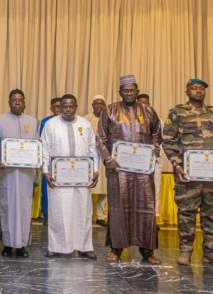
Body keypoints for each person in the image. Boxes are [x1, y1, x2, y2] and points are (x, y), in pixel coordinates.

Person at [162, 79, 213, 267]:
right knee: (186, 212)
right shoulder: (177, 113)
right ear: (187, 91)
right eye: (194, 88)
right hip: (187, 175)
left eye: (201, 88)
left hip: (212, 177)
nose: (198, 91)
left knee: (211, 214)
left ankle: (210, 253)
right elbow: (168, 141)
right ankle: (185, 251)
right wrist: (177, 165)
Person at [96, 75, 162, 264]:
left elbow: (156, 134)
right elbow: (100, 138)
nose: (129, 93)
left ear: (137, 90)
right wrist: (108, 159)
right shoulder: (110, 111)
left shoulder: (149, 111)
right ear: (120, 92)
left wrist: (155, 146)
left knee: (146, 208)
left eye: (132, 90)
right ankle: (116, 249)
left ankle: (147, 251)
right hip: (119, 171)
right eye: (126, 91)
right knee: (118, 209)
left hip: (142, 172)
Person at [41, 94, 99, 260]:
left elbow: (92, 148)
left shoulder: (85, 124)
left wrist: (95, 170)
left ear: (76, 106)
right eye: (64, 106)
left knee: (83, 210)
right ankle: (56, 246)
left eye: (71, 106)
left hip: (82, 176)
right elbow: (44, 148)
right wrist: (46, 170)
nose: (67, 110)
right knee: (59, 211)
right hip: (58, 176)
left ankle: (84, 247)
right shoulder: (51, 125)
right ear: (60, 107)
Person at [0, 89, 39, 258]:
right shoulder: (0, 119)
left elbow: (37, 145)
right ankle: (7, 244)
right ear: (9, 102)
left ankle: (21, 245)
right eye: (14, 99)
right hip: (7, 172)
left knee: (24, 207)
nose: (17, 102)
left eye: (20, 99)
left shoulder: (33, 121)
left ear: (24, 102)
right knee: (7, 206)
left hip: (26, 174)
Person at [38, 97, 63, 222]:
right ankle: (47, 215)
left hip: (64, 163)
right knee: (46, 189)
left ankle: (60, 216)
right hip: (48, 162)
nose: (58, 108)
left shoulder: (67, 121)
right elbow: (41, 143)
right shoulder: (45, 122)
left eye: (60, 105)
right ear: (51, 108)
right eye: (56, 106)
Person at [85, 95, 108, 227]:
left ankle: (101, 216)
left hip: (105, 156)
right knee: (88, 187)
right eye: (96, 104)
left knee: (104, 189)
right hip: (90, 157)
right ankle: (86, 215)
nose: (99, 106)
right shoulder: (86, 119)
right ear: (92, 105)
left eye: (101, 104)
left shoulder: (109, 118)